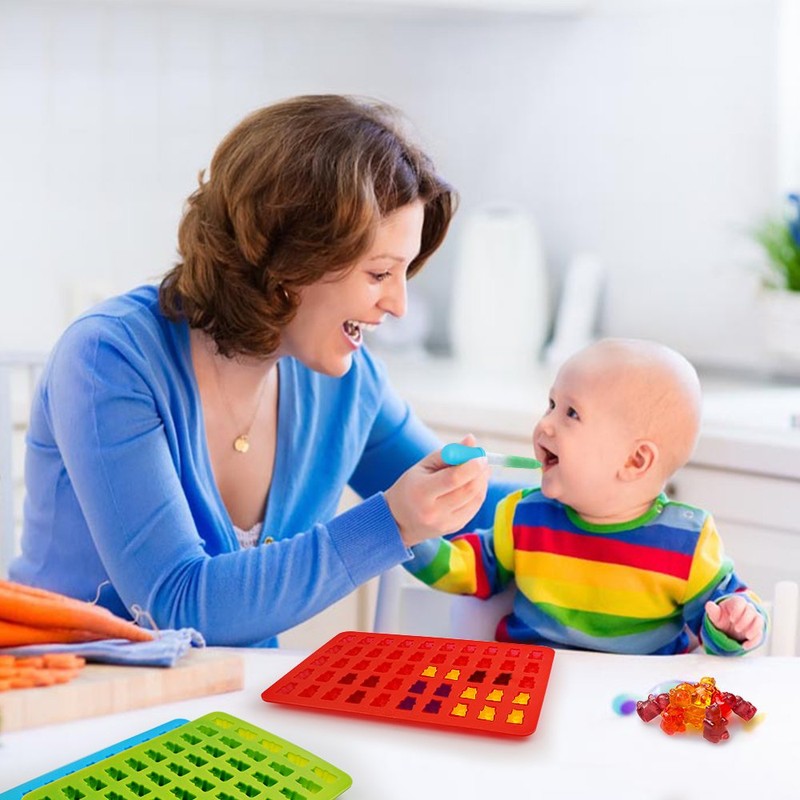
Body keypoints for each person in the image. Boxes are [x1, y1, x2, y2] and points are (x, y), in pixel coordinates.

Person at [10, 95, 521, 647]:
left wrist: (600, 489)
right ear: (291, 261)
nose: (397, 304)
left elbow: (475, 506)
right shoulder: (109, 359)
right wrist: (391, 523)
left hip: (231, 706)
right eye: (379, 274)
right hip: (71, 702)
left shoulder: (347, 384)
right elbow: (178, 605)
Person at [405, 338, 767, 656]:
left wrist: (735, 624)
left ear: (635, 460)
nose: (545, 424)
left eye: (571, 413)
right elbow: (467, 571)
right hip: (528, 689)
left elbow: (723, 617)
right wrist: (406, 531)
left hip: (632, 709)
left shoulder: (687, 541)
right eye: (551, 404)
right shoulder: (524, 516)